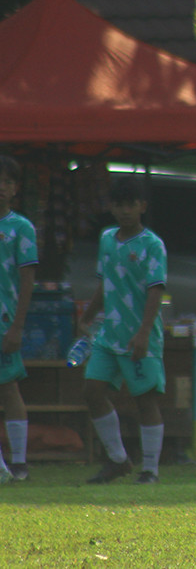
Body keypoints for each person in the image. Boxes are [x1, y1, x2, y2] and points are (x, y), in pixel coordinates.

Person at [78, 176, 168, 484]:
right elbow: (105, 282)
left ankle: (151, 470)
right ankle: (118, 460)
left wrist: (143, 333)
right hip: (109, 334)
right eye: (118, 205)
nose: (124, 211)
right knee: (92, 391)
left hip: (139, 335)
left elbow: (156, 291)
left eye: (130, 204)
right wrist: (88, 316)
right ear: (111, 207)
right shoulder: (107, 239)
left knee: (145, 400)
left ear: (142, 206)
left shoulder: (152, 245)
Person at [0, 156, 38, 484]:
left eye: (7, 182)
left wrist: (17, 326)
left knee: (8, 387)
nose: (1, 187)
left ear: (15, 189)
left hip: (5, 320)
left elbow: (27, 281)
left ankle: (20, 462)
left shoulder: (21, 228)